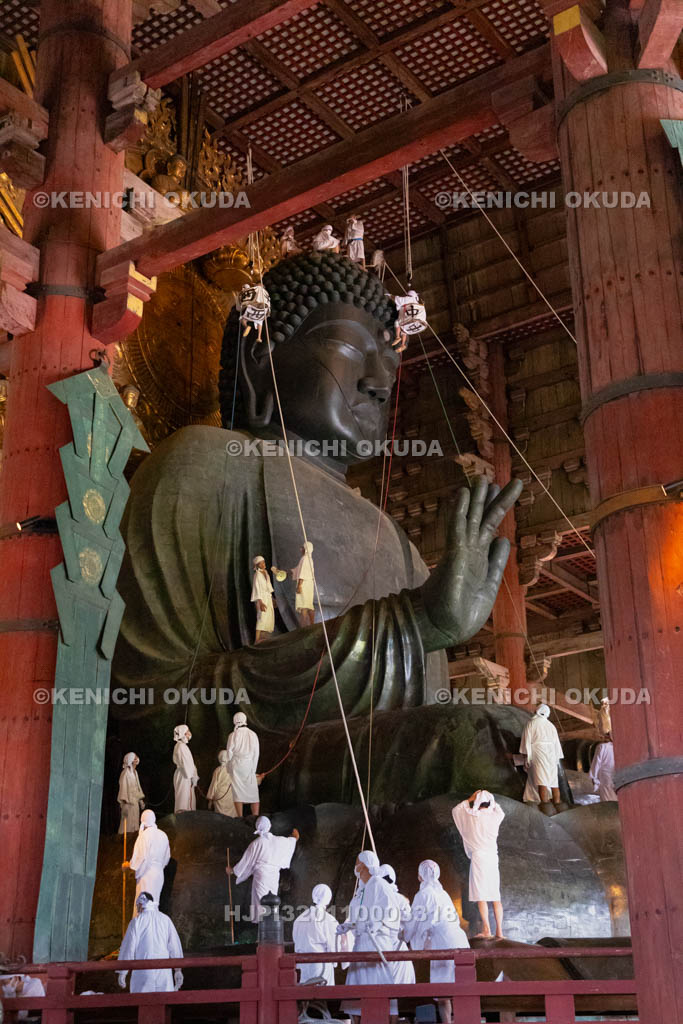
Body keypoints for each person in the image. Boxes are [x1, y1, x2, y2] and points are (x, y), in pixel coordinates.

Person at [404, 859, 469, 1024]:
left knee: (443, 992)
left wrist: (404, 935)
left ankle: (447, 1022)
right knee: (462, 989)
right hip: (460, 940)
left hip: (443, 942)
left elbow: (413, 923)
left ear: (420, 876)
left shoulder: (422, 895)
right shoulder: (443, 893)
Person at [337, 851, 401, 1019]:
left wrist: (377, 924)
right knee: (356, 988)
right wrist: (349, 925)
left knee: (381, 985)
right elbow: (361, 918)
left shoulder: (378, 883)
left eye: (357, 862)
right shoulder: (362, 891)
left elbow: (392, 910)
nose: (355, 866)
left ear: (365, 864)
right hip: (361, 944)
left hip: (376, 943)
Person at [452, 790, 505, 939]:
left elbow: (456, 810)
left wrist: (471, 798)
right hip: (492, 858)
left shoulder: (471, 816)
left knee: (482, 895)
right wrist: (490, 798)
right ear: (490, 803)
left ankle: (487, 929)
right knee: (495, 896)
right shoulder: (495, 817)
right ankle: (500, 931)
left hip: (479, 859)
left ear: (477, 803)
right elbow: (500, 811)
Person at [227, 815, 299, 923]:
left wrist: (232, 871)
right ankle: (271, 929)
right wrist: (294, 832)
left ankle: (263, 931)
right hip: (274, 876)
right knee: (272, 901)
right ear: (269, 826)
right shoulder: (279, 841)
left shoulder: (256, 843)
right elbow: (294, 839)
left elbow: (245, 861)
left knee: (261, 903)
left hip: (261, 876)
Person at [117, 892, 183, 993]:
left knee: (143, 1002)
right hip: (163, 972)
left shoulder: (136, 922)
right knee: (163, 1003)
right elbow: (174, 945)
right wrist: (178, 969)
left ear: (140, 904)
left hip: (143, 972)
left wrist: (123, 971)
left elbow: (129, 948)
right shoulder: (166, 920)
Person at [123, 809, 171, 912]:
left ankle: (143, 927)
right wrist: (157, 867)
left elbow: (141, 857)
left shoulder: (144, 836)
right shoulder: (163, 835)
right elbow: (166, 858)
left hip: (147, 875)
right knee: (154, 905)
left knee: (143, 906)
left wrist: (128, 865)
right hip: (159, 874)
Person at [520, 704, 565, 811]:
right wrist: (557, 758)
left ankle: (545, 806)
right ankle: (558, 804)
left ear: (537, 711)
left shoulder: (531, 723)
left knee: (542, 781)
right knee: (554, 782)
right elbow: (556, 743)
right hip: (551, 754)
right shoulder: (551, 726)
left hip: (538, 752)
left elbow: (526, 741)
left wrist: (526, 755)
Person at [292, 883, 338, 985]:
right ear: (328, 899)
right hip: (321, 964)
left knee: (306, 995)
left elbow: (296, 941)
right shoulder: (328, 919)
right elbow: (333, 946)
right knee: (323, 995)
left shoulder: (299, 919)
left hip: (304, 963)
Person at [380, 864, 415, 986]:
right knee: (399, 984)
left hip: (380, 946)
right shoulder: (400, 899)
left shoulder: (374, 899)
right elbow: (410, 922)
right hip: (396, 944)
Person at [226, 711, 261, 817]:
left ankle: (240, 817)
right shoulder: (253, 734)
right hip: (249, 765)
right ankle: (255, 816)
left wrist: (229, 768)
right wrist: (253, 769)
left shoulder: (232, 735)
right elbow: (256, 753)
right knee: (253, 793)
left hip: (237, 766)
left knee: (238, 793)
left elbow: (229, 753)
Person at [118, 752, 145, 834]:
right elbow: (123, 789)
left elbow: (137, 788)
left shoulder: (135, 773)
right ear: (130, 760)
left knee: (135, 826)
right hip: (128, 805)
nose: (137, 759)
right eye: (135, 757)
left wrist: (141, 801)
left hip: (135, 805)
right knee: (127, 827)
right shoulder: (125, 773)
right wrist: (124, 805)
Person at [173, 724, 198, 812]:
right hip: (184, 776)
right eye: (188, 731)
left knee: (185, 798)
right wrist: (191, 776)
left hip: (185, 775)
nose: (189, 733)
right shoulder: (181, 746)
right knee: (183, 799)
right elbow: (186, 764)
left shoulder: (182, 746)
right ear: (183, 733)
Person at [251, 555, 276, 643]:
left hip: (267, 597)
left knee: (269, 617)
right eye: (261, 563)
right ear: (257, 565)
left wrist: (272, 598)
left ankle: (264, 637)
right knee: (262, 617)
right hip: (261, 598)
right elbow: (257, 589)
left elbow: (268, 587)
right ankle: (256, 639)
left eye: (264, 562)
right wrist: (260, 602)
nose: (263, 564)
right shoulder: (257, 575)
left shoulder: (266, 573)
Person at [206, 750, 237, 817]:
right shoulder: (233, 770)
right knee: (231, 817)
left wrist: (210, 799)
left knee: (220, 817)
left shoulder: (217, 770)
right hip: (230, 796)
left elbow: (213, 785)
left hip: (219, 796)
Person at [292, 541, 315, 628]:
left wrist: (299, 585)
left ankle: (303, 628)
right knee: (309, 604)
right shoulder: (309, 558)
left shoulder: (305, 558)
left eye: (302, 547)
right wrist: (285, 572)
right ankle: (312, 625)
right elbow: (297, 570)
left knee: (304, 606)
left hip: (304, 584)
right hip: (309, 584)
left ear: (306, 549)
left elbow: (302, 573)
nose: (300, 549)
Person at [590, 735, 617, 801]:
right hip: (618, 779)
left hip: (605, 781)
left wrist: (594, 779)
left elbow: (596, 765)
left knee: (608, 803)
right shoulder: (620, 747)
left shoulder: (602, 747)